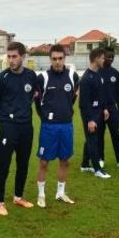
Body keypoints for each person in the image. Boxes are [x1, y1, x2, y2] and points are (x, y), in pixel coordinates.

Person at [0, 42, 38, 216]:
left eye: (14, 56)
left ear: (23, 56)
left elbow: (32, 98)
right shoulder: (1, 78)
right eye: (9, 56)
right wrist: (4, 121)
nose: (11, 60)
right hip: (8, 127)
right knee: (3, 164)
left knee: (23, 163)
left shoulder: (31, 76)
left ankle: (18, 197)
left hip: (26, 127)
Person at [34, 44, 79, 208]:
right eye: (54, 59)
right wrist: (46, 117)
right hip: (49, 127)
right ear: (50, 59)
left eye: (60, 58)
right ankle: (41, 195)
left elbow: (73, 98)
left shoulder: (73, 76)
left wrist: (64, 112)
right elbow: (37, 102)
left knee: (65, 161)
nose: (58, 62)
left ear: (65, 59)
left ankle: (60, 193)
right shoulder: (43, 78)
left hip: (66, 125)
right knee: (44, 162)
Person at [78, 48, 112, 180]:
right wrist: (90, 120)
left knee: (91, 139)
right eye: (103, 58)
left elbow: (100, 95)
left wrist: (104, 108)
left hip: (98, 111)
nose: (104, 60)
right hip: (90, 113)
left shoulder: (98, 74)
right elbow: (83, 103)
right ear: (96, 58)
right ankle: (98, 169)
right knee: (93, 140)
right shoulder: (86, 78)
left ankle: (85, 164)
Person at [97, 48, 119, 170]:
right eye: (109, 56)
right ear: (103, 57)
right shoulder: (97, 72)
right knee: (99, 135)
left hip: (112, 109)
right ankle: (100, 159)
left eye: (113, 57)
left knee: (116, 135)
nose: (111, 59)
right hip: (99, 109)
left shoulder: (116, 73)